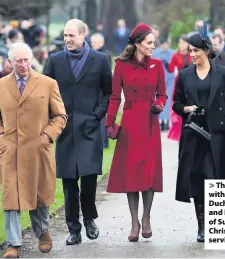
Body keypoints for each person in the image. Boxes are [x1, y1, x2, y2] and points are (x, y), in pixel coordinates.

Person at [172, 32, 225, 243]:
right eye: (190, 51)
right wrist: (187, 108)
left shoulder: (222, 73)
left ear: (205, 50)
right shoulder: (185, 75)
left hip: (218, 135)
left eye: (195, 50)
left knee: (215, 177)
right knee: (197, 178)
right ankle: (202, 226)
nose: (191, 54)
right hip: (193, 133)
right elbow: (176, 104)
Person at [44, 19, 112, 245]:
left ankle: (90, 218)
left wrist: (98, 114)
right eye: (65, 35)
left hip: (90, 128)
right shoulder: (54, 61)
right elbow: (44, 93)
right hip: (63, 129)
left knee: (90, 177)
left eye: (71, 35)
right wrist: (49, 121)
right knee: (69, 182)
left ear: (84, 35)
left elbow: (108, 92)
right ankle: (74, 228)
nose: (67, 39)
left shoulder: (100, 60)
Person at [0, 42, 67, 258]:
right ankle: (13, 243)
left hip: (37, 149)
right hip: (11, 150)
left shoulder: (47, 84)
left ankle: (43, 232)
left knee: (39, 194)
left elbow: (60, 116)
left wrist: (47, 135)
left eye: (26, 60)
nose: (23, 65)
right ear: (10, 62)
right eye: (18, 61)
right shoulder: (1, 85)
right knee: (11, 196)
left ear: (32, 60)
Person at [105, 23, 167, 242]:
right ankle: (134, 222)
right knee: (132, 174)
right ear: (138, 43)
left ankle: (147, 217)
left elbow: (162, 94)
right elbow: (114, 97)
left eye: (153, 43)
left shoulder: (157, 65)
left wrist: (159, 106)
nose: (153, 46)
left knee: (148, 173)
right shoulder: (121, 66)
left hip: (149, 122)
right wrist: (110, 123)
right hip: (130, 124)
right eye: (149, 43)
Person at [165, 35, 191, 141]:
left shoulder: (192, 53)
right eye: (180, 42)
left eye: (183, 42)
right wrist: (166, 64)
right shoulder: (175, 55)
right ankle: (179, 131)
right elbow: (171, 69)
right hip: (179, 80)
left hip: (191, 80)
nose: (181, 45)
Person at [152, 36, 175, 131]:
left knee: (168, 101)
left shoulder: (172, 53)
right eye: (162, 44)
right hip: (158, 81)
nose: (164, 46)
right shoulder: (155, 53)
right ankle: (160, 121)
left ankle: (166, 121)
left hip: (170, 80)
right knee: (159, 100)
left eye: (166, 44)